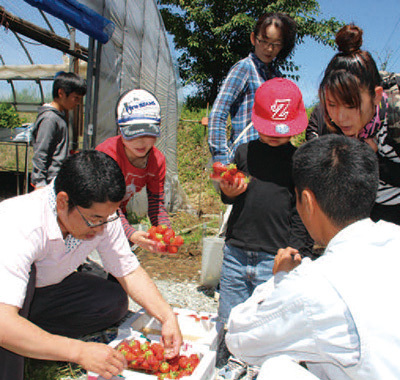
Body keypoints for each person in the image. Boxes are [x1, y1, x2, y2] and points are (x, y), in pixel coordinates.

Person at [225, 134, 400, 379]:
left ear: (306, 201)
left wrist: (279, 280)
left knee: (276, 370)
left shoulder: (316, 284)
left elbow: (239, 337)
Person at [0, 150, 182, 380]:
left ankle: (31, 339)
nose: (101, 229)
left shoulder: (101, 215)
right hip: (6, 303)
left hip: (44, 292)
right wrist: (78, 352)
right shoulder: (20, 224)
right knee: (16, 308)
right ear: (63, 201)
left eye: (109, 218)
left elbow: (128, 269)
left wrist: (167, 316)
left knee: (111, 300)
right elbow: (2, 321)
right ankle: (17, 350)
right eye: (95, 220)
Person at [216, 78, 313, 380]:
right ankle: (224, 366)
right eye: (268, 129)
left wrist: (296, 251)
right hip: (236, 251)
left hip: (274, 257)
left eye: (280, 132)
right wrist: (229, 191)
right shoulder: (244, 153)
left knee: (267, 320)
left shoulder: (299, 161)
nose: (273, 137)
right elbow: (227, 192)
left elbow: (301, 213)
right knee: (230, 318)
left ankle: (259, 368)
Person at [306, 24, 400, 225]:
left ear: (375, 96)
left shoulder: (395, 119)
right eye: (332, 104)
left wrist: (375, 159)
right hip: (366, 216)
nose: (340, 117)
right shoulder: (332, 122)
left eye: (351, 105)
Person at [208, 12, 297, 166]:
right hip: (245, 159)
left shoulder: (277, 78)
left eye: (276, 44)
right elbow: (218, 113)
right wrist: (221, 159)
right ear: (253, 39)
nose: (269, 49)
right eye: (264, 41)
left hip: (270, 160)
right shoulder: (244, 68)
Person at [96, 89, 171, 253]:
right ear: (119, 128)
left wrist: (165, 232)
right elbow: (106, 204)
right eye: (132, 134)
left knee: (120, 268)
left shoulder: (157, 161)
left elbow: (156, 204)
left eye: (148, 133)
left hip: (115, 216)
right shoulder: (107, 154)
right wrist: (130, 233)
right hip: (90, 215)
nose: (141, 141)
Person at [31, 71, 87, 188]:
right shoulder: (49, 118)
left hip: (57, 178)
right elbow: (41, 152)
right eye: (75, 98)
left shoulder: (59, 116)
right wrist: (39, 183)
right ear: (61, 93)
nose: (77, 103)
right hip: (49, 182)